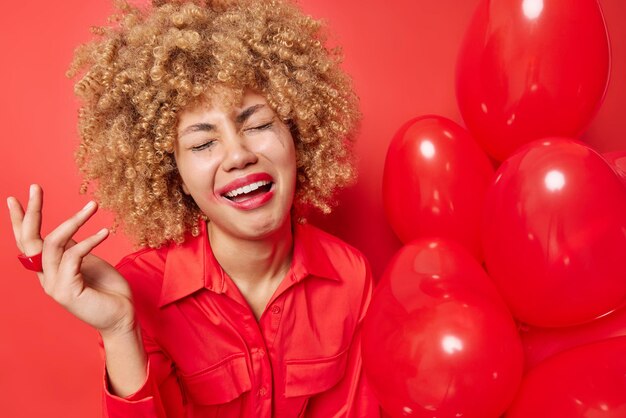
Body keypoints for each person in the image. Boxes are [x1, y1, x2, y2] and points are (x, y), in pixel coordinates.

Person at [7, 0, 380, 417]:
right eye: (203, 143)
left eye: (257, 125)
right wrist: (119, 331)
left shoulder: (351, 276)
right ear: (175, 176)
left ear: (298, 135)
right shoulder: (137, 289)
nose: (238, 155)